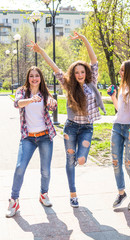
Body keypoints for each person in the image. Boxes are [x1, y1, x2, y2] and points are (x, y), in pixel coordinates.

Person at [28, 32, 106, 208]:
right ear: (73, 73)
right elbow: (54, 67)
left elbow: (94, 61)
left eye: (82, 71)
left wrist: (85, 39)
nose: (80, 74)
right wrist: (41, 51)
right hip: (70, 128)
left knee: (81, 160)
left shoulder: (91, 81)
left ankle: (79, 164)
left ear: (86, 73)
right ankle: (73, 194)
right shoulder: (68, 84)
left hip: (87, 128)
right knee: (70, 160)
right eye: (77, 72)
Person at [6, 66, 57, 218]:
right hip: (28, 137)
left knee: (45, 170)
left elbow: (52, 106)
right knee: (20, 167)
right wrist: (31, 99)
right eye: (31, 76)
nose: (34, 78)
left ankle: (43, 194)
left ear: (41, 78)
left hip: (45, 136)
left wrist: (52, 102)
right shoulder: (22, 92)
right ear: (28, 78)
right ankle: (14, 200)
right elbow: (17, 104)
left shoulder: (45, 93)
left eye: (37, 76)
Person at [107, 60, 130, 210]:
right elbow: (120, 109)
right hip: (117, 127)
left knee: (129, 164)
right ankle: (121, 193)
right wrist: (113, 96)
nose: (120, 73)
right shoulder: (123, 85)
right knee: (115, 163)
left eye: (122, 70)